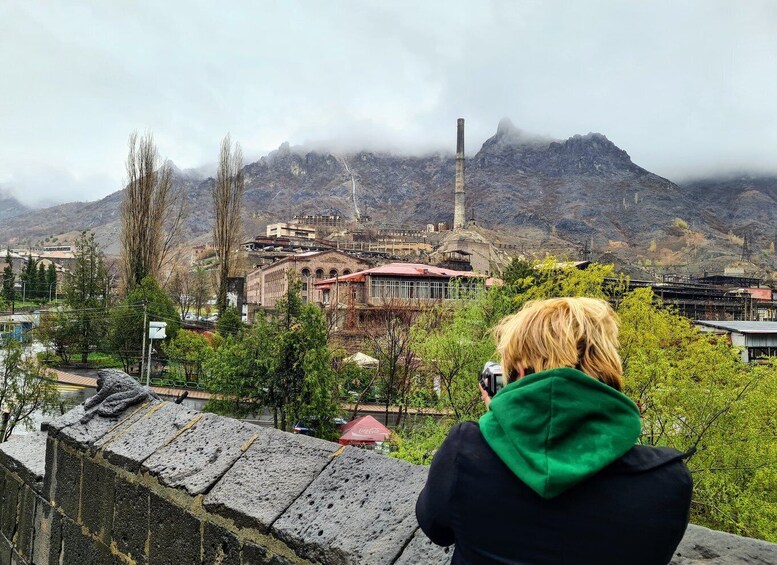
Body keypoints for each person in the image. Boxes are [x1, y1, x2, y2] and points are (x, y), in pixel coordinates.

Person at [416, 297, 692, 564]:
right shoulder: (667, 479)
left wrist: (504, 423)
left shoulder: (465, 450)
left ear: (521, 372)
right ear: (609, 370)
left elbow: (436, 528)